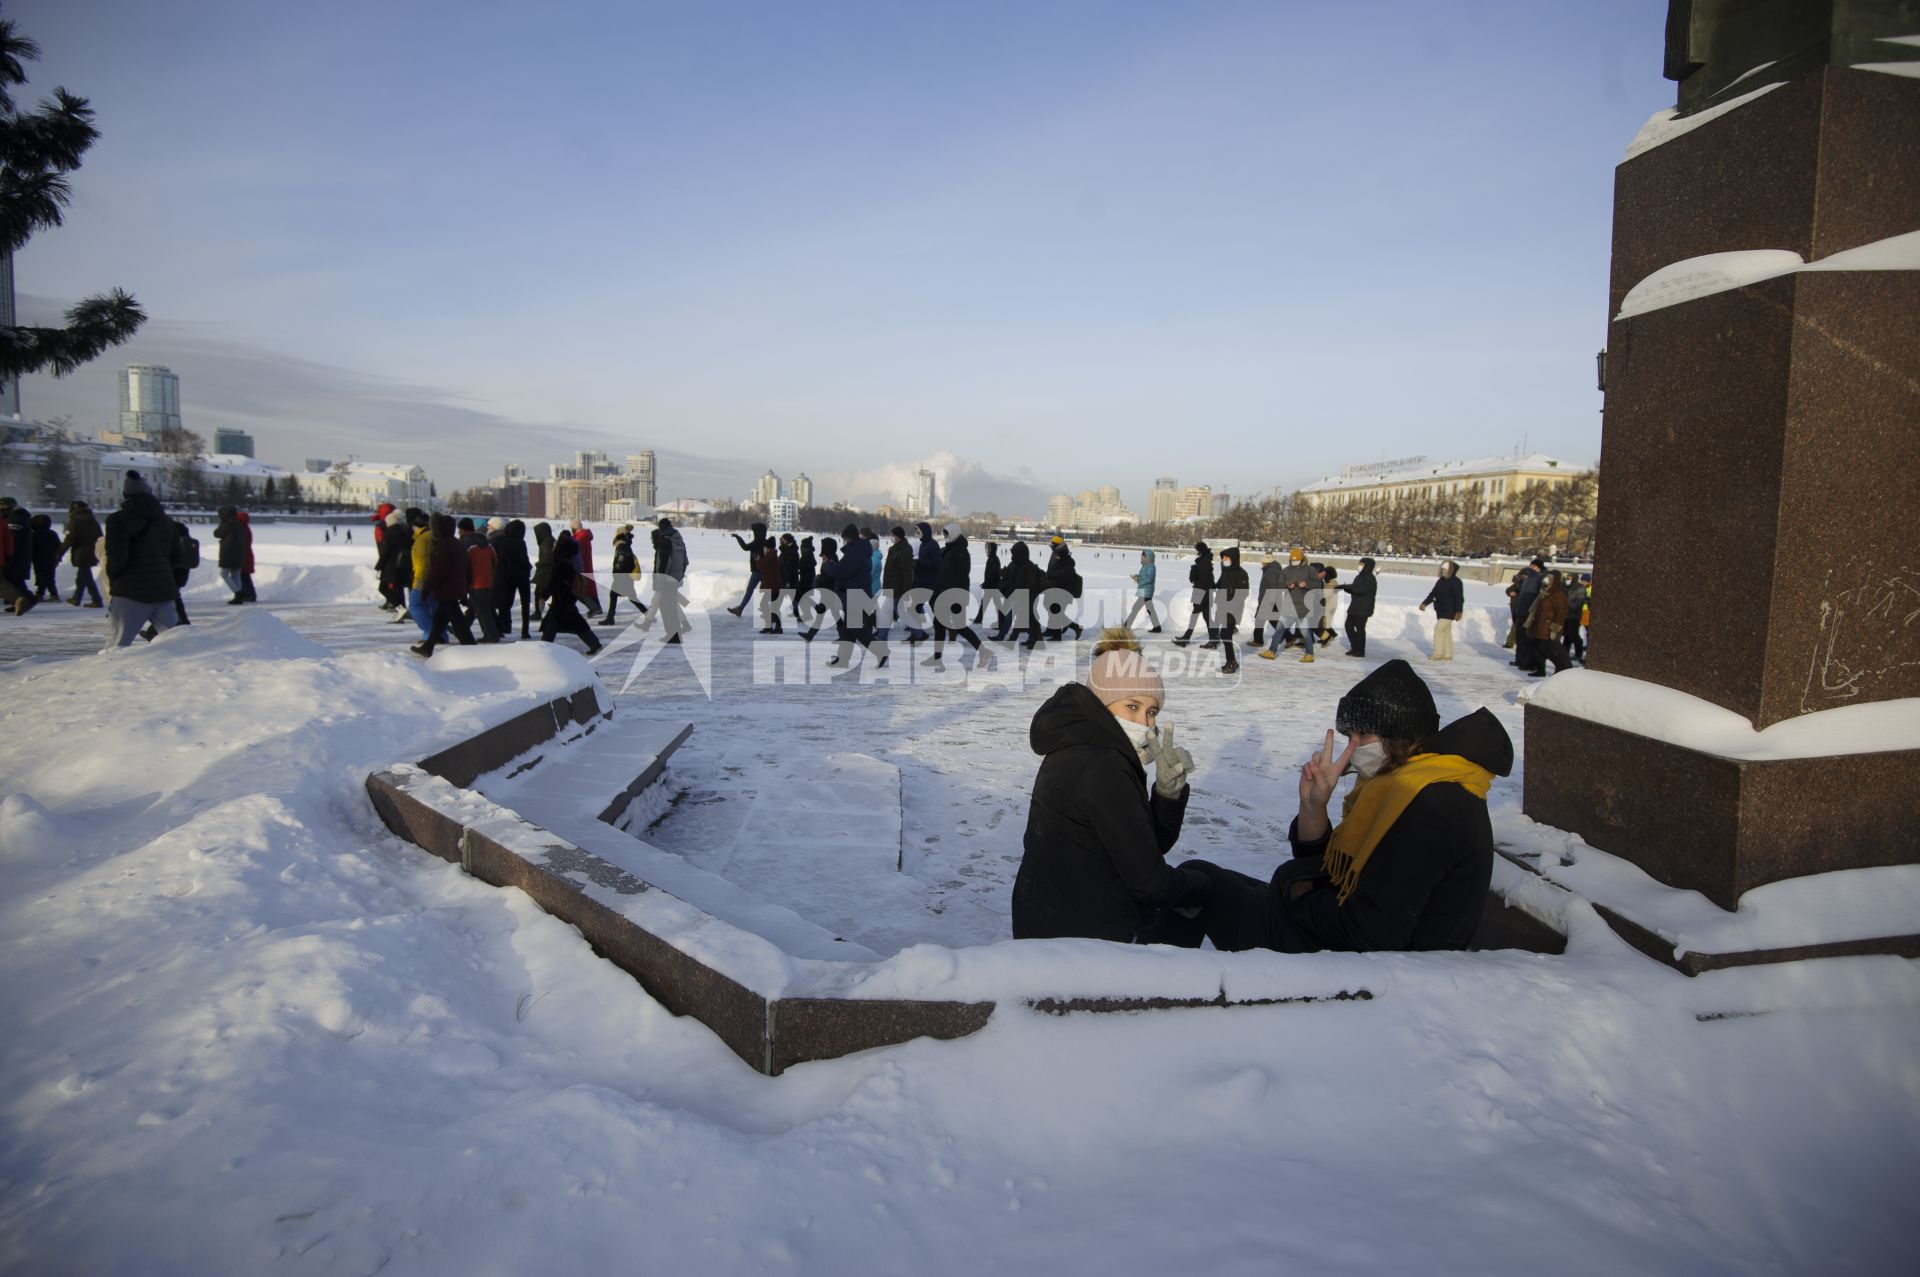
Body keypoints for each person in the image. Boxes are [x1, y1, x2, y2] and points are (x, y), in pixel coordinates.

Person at [1143, 659, 1512, 953]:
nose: (1352, 749)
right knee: (1198, 879)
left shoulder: (1432, 804)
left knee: (1198, 887)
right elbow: (1335, 870)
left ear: (1398, 735)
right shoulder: (1406, 784)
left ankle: (1153, 993)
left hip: (1369, 969)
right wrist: (1313, 808)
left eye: (1361, 736)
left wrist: (1295, 895)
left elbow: (1372, 931)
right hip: (1338, 934)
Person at [1011, 627, 1208, 941]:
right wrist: (1206, 888)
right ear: (1102, 703)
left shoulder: (1079, 744)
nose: (1145, 723)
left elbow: (1141, 850)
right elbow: (1149, 882)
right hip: (1084, 945)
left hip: (1051, 926)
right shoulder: (1103, 765)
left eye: (1152, 711)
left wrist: (1166, 795)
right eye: (1132, 706)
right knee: (1208, 888)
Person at [102, 472, 183, 646]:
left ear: (125, 495)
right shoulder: (167, 521)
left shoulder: (117, 520)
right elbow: (177, 557)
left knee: (117, 646)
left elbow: (117, 556)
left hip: (130, 591)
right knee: (176, 645)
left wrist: (114, 578)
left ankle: (111, 673)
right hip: (163, 590)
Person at [411, 514, 479, 656]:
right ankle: (428, 646)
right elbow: (468, 568)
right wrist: (465, 589)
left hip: (447, 588)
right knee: (440, 619)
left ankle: (471, 647)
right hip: (455, 587)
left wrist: (427, 587)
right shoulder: (457, 543)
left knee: (457, 621)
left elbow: (438, 569)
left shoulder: (443, 545)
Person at [926, 522, 990, 667]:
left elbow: (961, 575)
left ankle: (984, 651)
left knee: (958, 626)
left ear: (954, 533)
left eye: (947, 534)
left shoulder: (961, 551)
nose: (945, 537)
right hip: (945, 593)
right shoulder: (949, 549)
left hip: (954, 595)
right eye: (944, 534)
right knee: (940, 624)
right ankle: (937, 657)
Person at [538, 534, 602, 654]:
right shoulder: (569, 563)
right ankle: (594, 643)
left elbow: (554, 582)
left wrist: (543, 595)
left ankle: (544, 646)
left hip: (562, 598)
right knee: (568, 620)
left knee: (559, 620)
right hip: (566, 598)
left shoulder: (561, 565)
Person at [1262, 546, 1317, 662]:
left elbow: (1317, 585)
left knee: (1305, 631)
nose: (1294, 562)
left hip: (1303, 607)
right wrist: (1288, 585)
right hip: (1288, 606)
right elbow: (1279, 585)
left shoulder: (1309, 570)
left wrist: (1306, 584)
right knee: (1279, 629)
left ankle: (1310, 654)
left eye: (1296, 560)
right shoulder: (1286, 570)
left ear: (1302, 559)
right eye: (1293, 560)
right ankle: (1271, 651)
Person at [1523, 569, 1573, 677]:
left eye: (1549, 579)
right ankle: (1540, 670)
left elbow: (1561, 612)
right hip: (1539, 626)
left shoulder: (1558, 594)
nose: (1546, 580)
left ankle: (1564, 669)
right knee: (1538, 649)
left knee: (1553, 650)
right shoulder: (1545, 592)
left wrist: (1555, 628)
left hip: (1548, 628)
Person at [997, 541, 1044, 649]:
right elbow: (1013, 578)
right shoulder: (1018, 564)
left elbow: (1029, 584)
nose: (1012, 556)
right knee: (1027, 621)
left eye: (1015, 554)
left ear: (1021, 554)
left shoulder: (1028, 566)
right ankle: (1034, 640)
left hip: (1028, 597)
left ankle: (1014, 642)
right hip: (1021, 596)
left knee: (1027, 621)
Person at [461, 518, 500, 643]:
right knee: (476, 608)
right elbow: (495, 560)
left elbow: (463, 564)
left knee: (482, 611)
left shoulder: (466, 544)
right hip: (488, 580)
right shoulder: (487, 543)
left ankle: (492, 635)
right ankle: (461, 628)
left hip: (475, 582)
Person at [1211, 546, 1248, 673]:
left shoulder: (1241, 573)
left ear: (1233, 558)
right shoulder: (1225, 571)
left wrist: (1231, 605)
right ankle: (1230, 661)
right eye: (1223, 557)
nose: (1224, 559)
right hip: (1223, 606)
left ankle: (1232, 662)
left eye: (1227, 557)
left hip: (1233, 609)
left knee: (1225, 634)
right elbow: (1218, 585)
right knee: (1225, 635)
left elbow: (1243, 593)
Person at [604, 523, 648, 626]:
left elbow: (621, 562)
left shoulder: (622, 547)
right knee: (631, 597)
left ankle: (610, 619)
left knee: (614, 595)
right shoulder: (626, 545)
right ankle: (647, 613)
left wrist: (617, 573)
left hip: (622, 577)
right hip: (626, 577)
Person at [1419, 559, 1464, 660]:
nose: (1443, 571)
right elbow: (1433, 593)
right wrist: (1425, 603)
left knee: (1438, 629)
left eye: (1445, 569)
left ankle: (1438, 653)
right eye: (1442, 569)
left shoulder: (1456, 582)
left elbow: (1459, 598)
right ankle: (1448, 654)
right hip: (1440, 610)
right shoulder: (1441, 581)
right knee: (1446, 631)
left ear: (1450, 570)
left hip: (1450, 611)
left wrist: (1459, 611)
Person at [62, 500, 103, 607]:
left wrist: (59, 553)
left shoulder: (74, 521)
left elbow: (69, 540)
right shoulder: (93, 521)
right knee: (82, 576)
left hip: (81, 553)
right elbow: (100, 537)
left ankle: (97, 599)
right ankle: (76, 598)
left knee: (87, 577)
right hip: (92, 551)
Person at [1042, 536, 1084, 641]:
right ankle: (1051, 630)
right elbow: (1053, 569)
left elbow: (1064, 573)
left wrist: (1052, 576)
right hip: (1053, 586)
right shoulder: (1056, 552)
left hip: (1061, 589)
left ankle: (1066, 631)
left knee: (1055, 611)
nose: (1050, 546)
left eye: (1052, 544)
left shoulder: (1062, 554)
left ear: (1057, 545)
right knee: (1049, 607)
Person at [1172, 542, 1214, 645]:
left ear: (1200, 550)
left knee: (1195, 616)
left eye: (1197, 550)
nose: (1196, 552)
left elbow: (1203, 580)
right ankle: (1214, 639)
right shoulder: (1205, 560)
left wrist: (1194, 573)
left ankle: (1186, 638)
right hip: (1205, 593)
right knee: (1207, 618)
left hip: (1201, 593)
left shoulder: (1204, 562)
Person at [726, 521, 768, 617]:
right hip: (762, 571)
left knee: (752, 590)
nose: (753, 533)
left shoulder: (758, 541)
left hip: (758, 571)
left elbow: (745, 547)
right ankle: (742, 609)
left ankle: (741, 609)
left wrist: (738, 538)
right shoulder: (764, 541)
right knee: (764, 592)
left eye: (754, 531)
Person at [1341, 557, 1378, 658]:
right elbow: (1354, 587)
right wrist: (1345, 588)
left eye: (1362, 564)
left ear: (1367, 566)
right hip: (1355, 607)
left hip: (1364, 608)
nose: (1360, 566)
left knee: (1360, 629)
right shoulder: (1359, 577)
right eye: (1360, 564)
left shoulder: (1370, 578)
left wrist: (1349, 588)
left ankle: (1360, 650)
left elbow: (1361, 590)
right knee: (1348, 626)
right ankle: (1354, 647)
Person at [1120, 547, 1161, 632]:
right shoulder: (1145, 566)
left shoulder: (1151, 567)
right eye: (1141, 557)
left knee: (1136, 608)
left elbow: (1149, 579)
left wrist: (1140, 580)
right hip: (1144, 590)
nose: (1141, 558)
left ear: (1148, 557)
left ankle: (1126, 626)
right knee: (1149, 609)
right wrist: (1136, 578)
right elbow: (1143, 578)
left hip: (1147, 591)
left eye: (1143, 557)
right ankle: (1157, 627)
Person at [570, 518, 602, 619]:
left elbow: (577, 554)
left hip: (581, 567)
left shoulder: (580, 538)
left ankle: (595, 608)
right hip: (586, 566)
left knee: (579, 589)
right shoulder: (584, 536)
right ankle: (597, 607)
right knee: (588, 589)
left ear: (574, 528)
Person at [1248, 552, 1281, 648]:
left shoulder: (1271, 571)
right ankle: (1288, 637)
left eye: (1262, 562)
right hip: (1270, 599)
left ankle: (1258, 641)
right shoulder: (1272, 569)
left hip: (1268, 599)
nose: (1261, 563)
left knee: (1259, 620)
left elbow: (1273, 587)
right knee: (1273, 620)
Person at [755, 537, 784, 633]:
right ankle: (770, 626)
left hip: (773, 586)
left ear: (768, 548)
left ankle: (776, 628)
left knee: (770, 606)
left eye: (765, 548)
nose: (763, 549)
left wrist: (759, 559)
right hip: (773, 585)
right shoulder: (772, 556)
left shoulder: (771, 557)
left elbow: (760, 566)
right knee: (770, 606)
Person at [29, 513, 60, 602]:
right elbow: (58, 546)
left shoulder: (34, 535)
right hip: (52, 559)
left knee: (41, 577)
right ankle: (50, 594)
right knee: (50, 576)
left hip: (38, 559)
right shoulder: (52, 533)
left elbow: (31, 548)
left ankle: (42, 594)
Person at [974, 541, 1002, 629]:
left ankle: (1001, 622)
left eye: (988, 548)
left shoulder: (993, 559)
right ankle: (979, 619)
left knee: (996, 604)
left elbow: (993, 574)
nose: (987, 550)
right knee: (988, 603)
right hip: (991, 585)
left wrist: (986, 583)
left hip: (992, 586)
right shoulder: (992, 558)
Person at [1564, 572, 1590, 664]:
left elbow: (1577, 604)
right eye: (1567, 577)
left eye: (1569, 577)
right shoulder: (1567, 587)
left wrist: (1566, 604)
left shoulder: (1580, 588)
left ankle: (1578, 653)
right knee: (1566, 636)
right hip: (1565, 615)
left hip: (1574, 615)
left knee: (1574, 635)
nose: (1568, 579)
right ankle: (1564, 653)